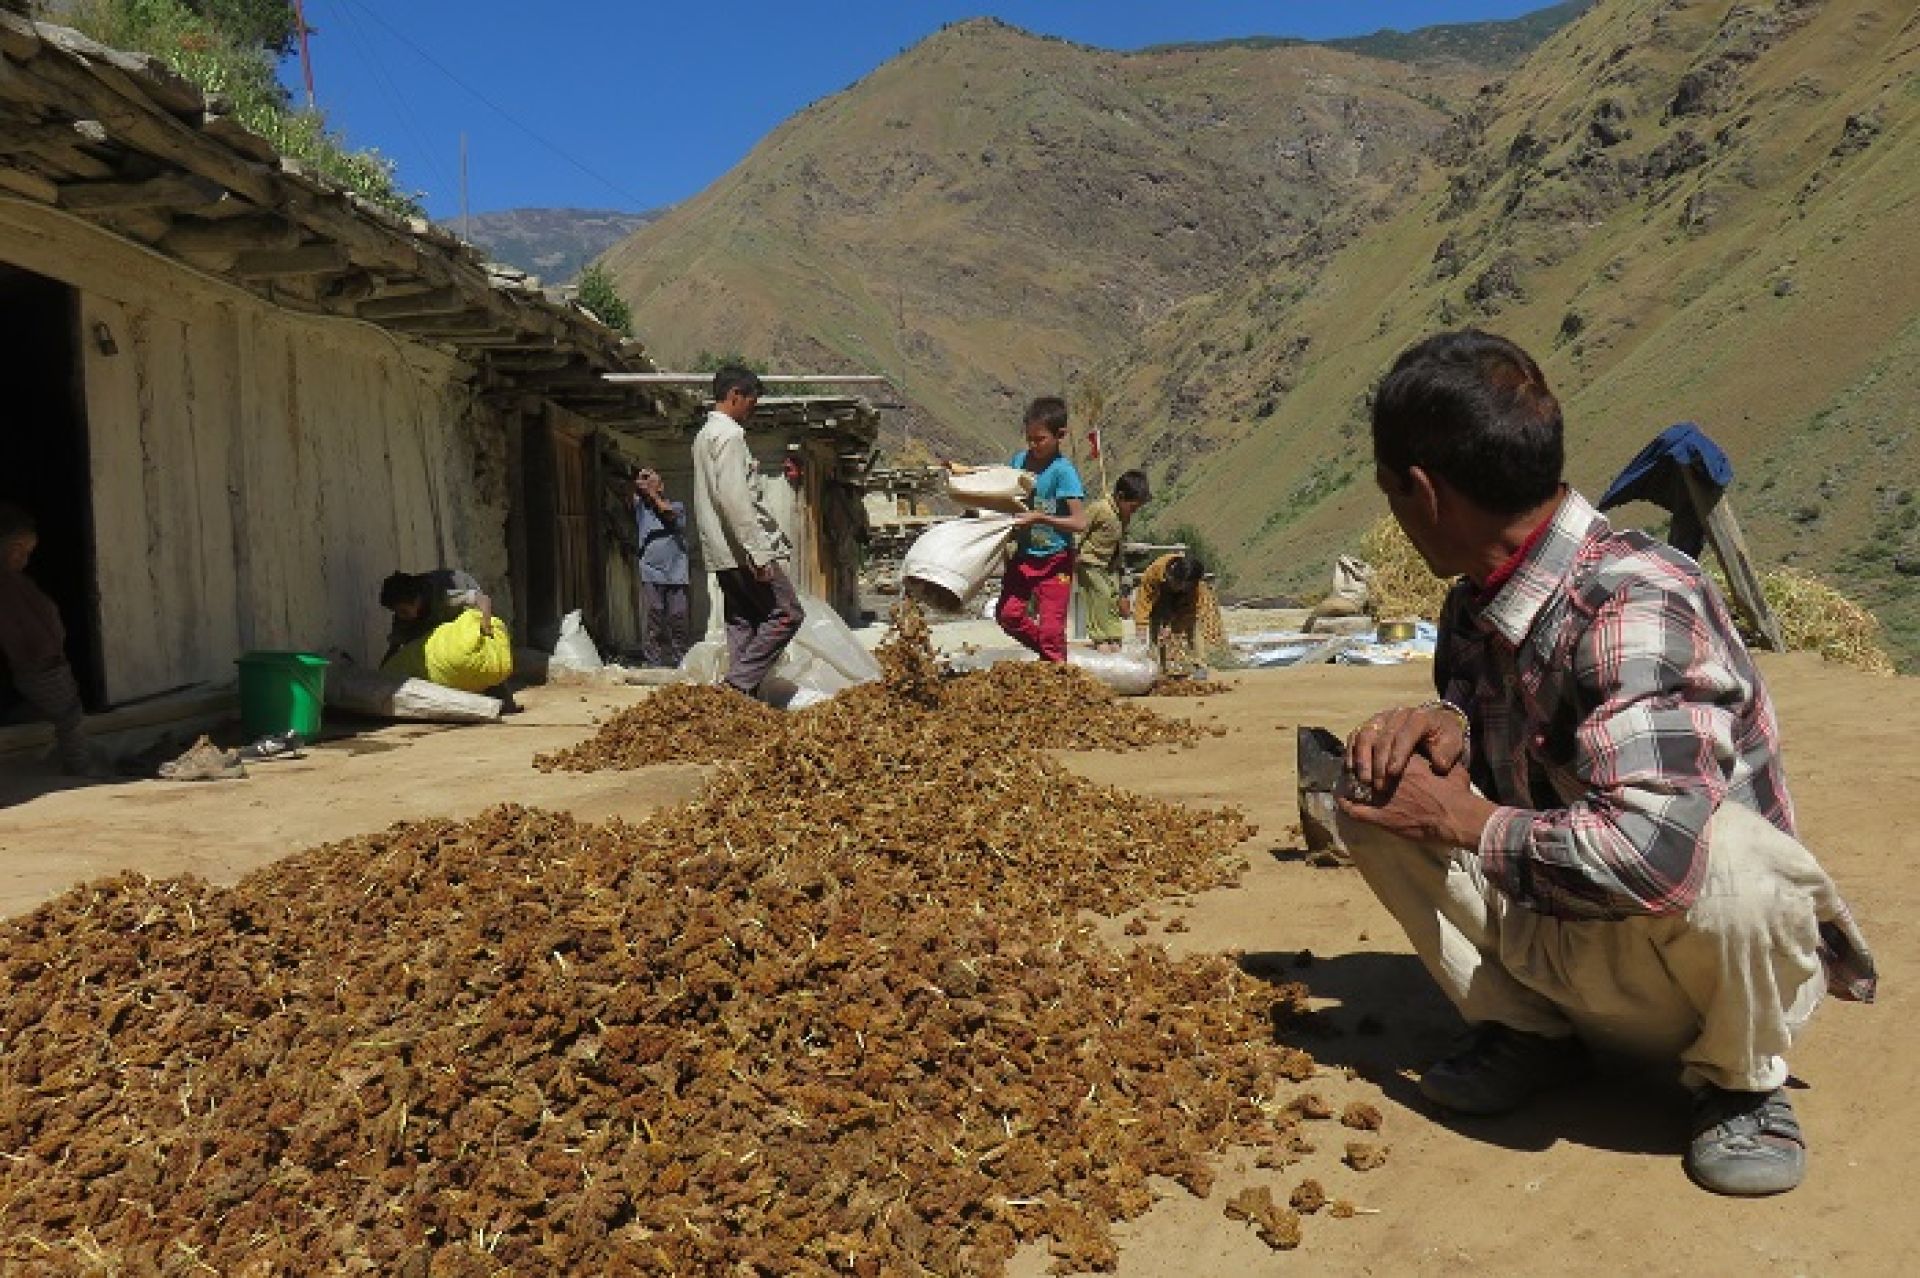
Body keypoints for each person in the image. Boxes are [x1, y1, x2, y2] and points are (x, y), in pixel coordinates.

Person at [1334, 329, 1874, 1197]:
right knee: (1367, 787)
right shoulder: (1475, 607)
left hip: (1694, 966)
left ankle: (1739, 1082)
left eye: (1390, 491)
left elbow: (1654, 858)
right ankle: (1529, 1030)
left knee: (1730, 855)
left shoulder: (1638, 600)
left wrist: (1459, 817)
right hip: (1574, 935)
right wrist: (1442, 728)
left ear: (1424, 493)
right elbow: (1517, 748)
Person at [692, 365, 803, 697]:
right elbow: (734, 499)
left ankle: (741, 703)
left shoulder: (704, 436)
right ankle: (736, 685)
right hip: (742, 550)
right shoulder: (729, 436)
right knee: (787, 614)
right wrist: (757, 551)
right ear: (734, 396)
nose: (752, 411)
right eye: (751, 402)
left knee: (742, 622)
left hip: (722, 551)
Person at [0, 502, 100, 776]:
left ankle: (16, 716)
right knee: (70, 715)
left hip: (39, 663)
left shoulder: (16, 583)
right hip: (41, 664)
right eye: (21, 553)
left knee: (49, 708)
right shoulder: (9, 585)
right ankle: (79, 765)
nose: (25, 560)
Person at [995, 397, 1087, 663]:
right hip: (1024, 557)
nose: (1033, 446)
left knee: (1051, 629)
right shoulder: (1019, 462)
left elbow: (1079, 522)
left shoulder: (1063, 472)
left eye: (1040, 439)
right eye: (1029, 439)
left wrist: (1040, 518)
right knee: (1008, 615)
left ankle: (1056, 667)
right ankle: (1054, 658)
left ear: (1060, 435)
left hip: (1055, 560)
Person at [1077, 469, 1151, 653]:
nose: (1134, 511)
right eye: (1132, 506)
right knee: (1099, 597)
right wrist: (1074, 553)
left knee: (1112, 598)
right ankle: (1100, 637)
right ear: (1120, 496)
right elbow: (1080, 530)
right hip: (1090, 560)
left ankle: (1114, 635)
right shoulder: (1099, 509)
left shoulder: (1123, 516)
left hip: (1110, 563)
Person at [631, 466, 691, 667]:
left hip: (676, 572)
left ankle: (680, 658)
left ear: (662, 487)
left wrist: (652, 492)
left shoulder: (677, 506)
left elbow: (669, 515)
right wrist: (641, 482)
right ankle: (654, 661)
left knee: (678, 616)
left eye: (655, 484)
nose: (650, 487)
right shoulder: (641, 508)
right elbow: (631, 493)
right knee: (654, 614)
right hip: (651, 570)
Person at [1131, 552, 1229, 673]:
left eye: (1187, 587)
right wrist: (1140, 627)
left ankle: (1200, 666)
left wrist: (1171, 628)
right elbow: (1143, 601)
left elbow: (1188, 613)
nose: (1182, 588)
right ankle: (1158, 668)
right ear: (1171, 576)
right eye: (1179, 585)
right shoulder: (1155, 572)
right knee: (1155, 633)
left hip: (1183, 603)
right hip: (1158, 598)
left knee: (1193, 629)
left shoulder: (1194, 588)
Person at [378, 568, 494, 666]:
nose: (400, 616)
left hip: (465, 605)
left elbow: (483, 599)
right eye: (396, 612)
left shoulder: (444, 596)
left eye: (403, 611)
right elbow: (394, 649)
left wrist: (486, 626)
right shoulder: (404, 616)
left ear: (416, 600)